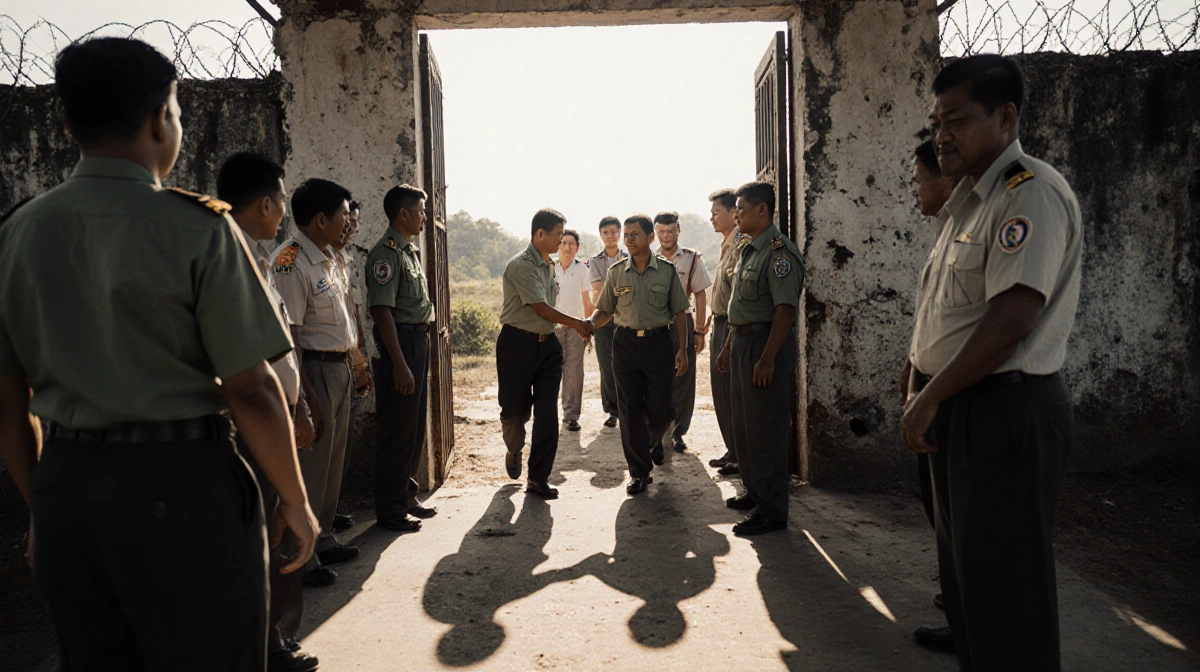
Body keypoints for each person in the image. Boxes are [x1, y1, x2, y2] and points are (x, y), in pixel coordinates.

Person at [0, 37, 317, 671]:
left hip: (68, 484)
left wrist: (44, 506)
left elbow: (9, 401)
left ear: (65, 122)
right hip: (182, 484)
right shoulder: (197, 226)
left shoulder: (18, 230)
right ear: (159, 119)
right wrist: (296, 499)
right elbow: (251, 388)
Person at [903, 54, 1082, 671]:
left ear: (1006, 117)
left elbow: (1011, 320)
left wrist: (930, 395)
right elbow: (947, 315)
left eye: (955, 120)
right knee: (969, 584)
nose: (941, 136)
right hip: (963, 401)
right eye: (935, 123)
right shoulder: (970, 203)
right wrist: (919, 377)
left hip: (1003, 407)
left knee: (1006, 591)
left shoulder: (1027, 194)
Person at [217, 151, 320, 672]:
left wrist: (298, 405)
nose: (282, 210)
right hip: (250, 422)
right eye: (280, 200)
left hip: (273, 411)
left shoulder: (255, 256)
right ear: (265, 204)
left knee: (271, 532)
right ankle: (268, 645)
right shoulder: (229, 259)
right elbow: (256, 371)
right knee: (274, 530)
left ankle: (275, 639)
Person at [273, 178, 362, 587]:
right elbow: (290, 336)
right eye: (343, 214)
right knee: (312, 463)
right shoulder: (290, 261)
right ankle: (300, 555)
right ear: (321, 218)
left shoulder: (328, 257)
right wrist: (303, 399)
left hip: (339, 367)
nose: (348, 222)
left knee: (332, 462)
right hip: (315, 373)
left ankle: (323, 537)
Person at [897, 139, 961, 655]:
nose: (914, 189)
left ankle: (972, 620)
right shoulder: (948, 229)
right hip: (931, 382)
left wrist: (929, 390)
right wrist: (912, 367)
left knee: (963, 514)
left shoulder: (993, 219)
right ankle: (960, 603)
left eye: (919, 179)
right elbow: (935, 315)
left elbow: (1002, 322)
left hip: (959, 393)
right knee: (940, 506)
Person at [716, 181, 804, 536]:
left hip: (766, 344)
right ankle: (756, 493)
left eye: (740, 207)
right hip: (742, 342)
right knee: (745, 425)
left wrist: (767, 359)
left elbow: (784, 309)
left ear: (762, 210)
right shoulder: (749, 249)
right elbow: (743, 305)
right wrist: (727, 346)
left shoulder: (779, 252)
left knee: (766, 429)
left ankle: (772, 509)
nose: (736, 213)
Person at [587, 215, 690, 495]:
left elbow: (680, 311)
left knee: (662, 409)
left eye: (634, 234)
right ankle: (639, 473)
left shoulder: (667, 271)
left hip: (658, 344)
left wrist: (682, 349)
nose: (628, 239)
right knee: (630, 411)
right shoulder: (617, 272)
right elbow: (605, 309)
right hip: (626, 345)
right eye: (627, 235)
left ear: (650, 238)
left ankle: (655, 441)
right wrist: (587, 325)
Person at [497, 208, 594, 499]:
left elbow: (549, 312)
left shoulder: (548, 265)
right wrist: (577, 323)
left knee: (547, 415)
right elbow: (540, 307)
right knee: (514, 412)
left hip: (547, 347)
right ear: (540, 234)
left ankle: (538, 478)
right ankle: (514, 448)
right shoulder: (522, 265)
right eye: (557, 235)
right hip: (517, 345)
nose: (561, 241)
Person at [367, 184, 438, 533]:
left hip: (416, 341)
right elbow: (381, 311)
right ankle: (391, 510)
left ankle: (407, 496)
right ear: (404, 214)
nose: (425, 217)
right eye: (421, 211)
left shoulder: (408, 251)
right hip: (401, 343)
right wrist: (398, 363)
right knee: (396, 430)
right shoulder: (387, 254)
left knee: (412, 426)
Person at [328, 199, 372, 535]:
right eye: (347, 220)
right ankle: (318, 530)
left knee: (337, 452)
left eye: (354, 222)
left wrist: (358, 362)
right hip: (320, 364)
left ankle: (328, 512)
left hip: (343, 360)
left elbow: (349, 316)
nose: (351, 228)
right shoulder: (295, 259)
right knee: (321, 454)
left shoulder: (340, 259)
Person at [653, 212, 712, 454]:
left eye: (670, 230)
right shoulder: (648, 257)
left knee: (683, 380)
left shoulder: (691, 259)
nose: (666, 236)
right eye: (661, 231)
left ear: (678, 229)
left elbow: (699, 295)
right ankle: (658, 431)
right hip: (655, 324)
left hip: (683, 322)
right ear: (655, 232)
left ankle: (678, 432)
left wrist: (699, 331)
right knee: (656, 378)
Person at [705, 189, 743, 473]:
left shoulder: (742, 245)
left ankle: (740, 454)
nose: (712, 218)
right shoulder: (726, 245)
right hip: (718, 323)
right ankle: (733, 449)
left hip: (732, 326)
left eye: (716, 212)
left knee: (733, 392)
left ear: (733, 213)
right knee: (721, 391)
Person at [588, 216, 628, 428]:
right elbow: (598, 289)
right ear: (601, 235)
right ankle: (612, 410)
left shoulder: (630, 257)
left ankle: (628, 409)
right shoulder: (595, 261)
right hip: (603, 319)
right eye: (606, 233)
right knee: (607, 366)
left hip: (627, 319)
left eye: (614, 231)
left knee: (627, 365)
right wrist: (621, 290)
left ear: (620, 232)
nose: (610, 236)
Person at [554, 229, 595, 432]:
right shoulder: (548, 267)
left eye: (572, 243)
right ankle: (547, 414)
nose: (568, 247)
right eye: (564, 243)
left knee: (574, 371)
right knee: (551, 371)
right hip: (552, 327)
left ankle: (571, 416)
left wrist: (587, 328)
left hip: (576, 326)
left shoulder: (582, 270)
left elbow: (587, 301)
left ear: (577, 247)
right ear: (558, 245)